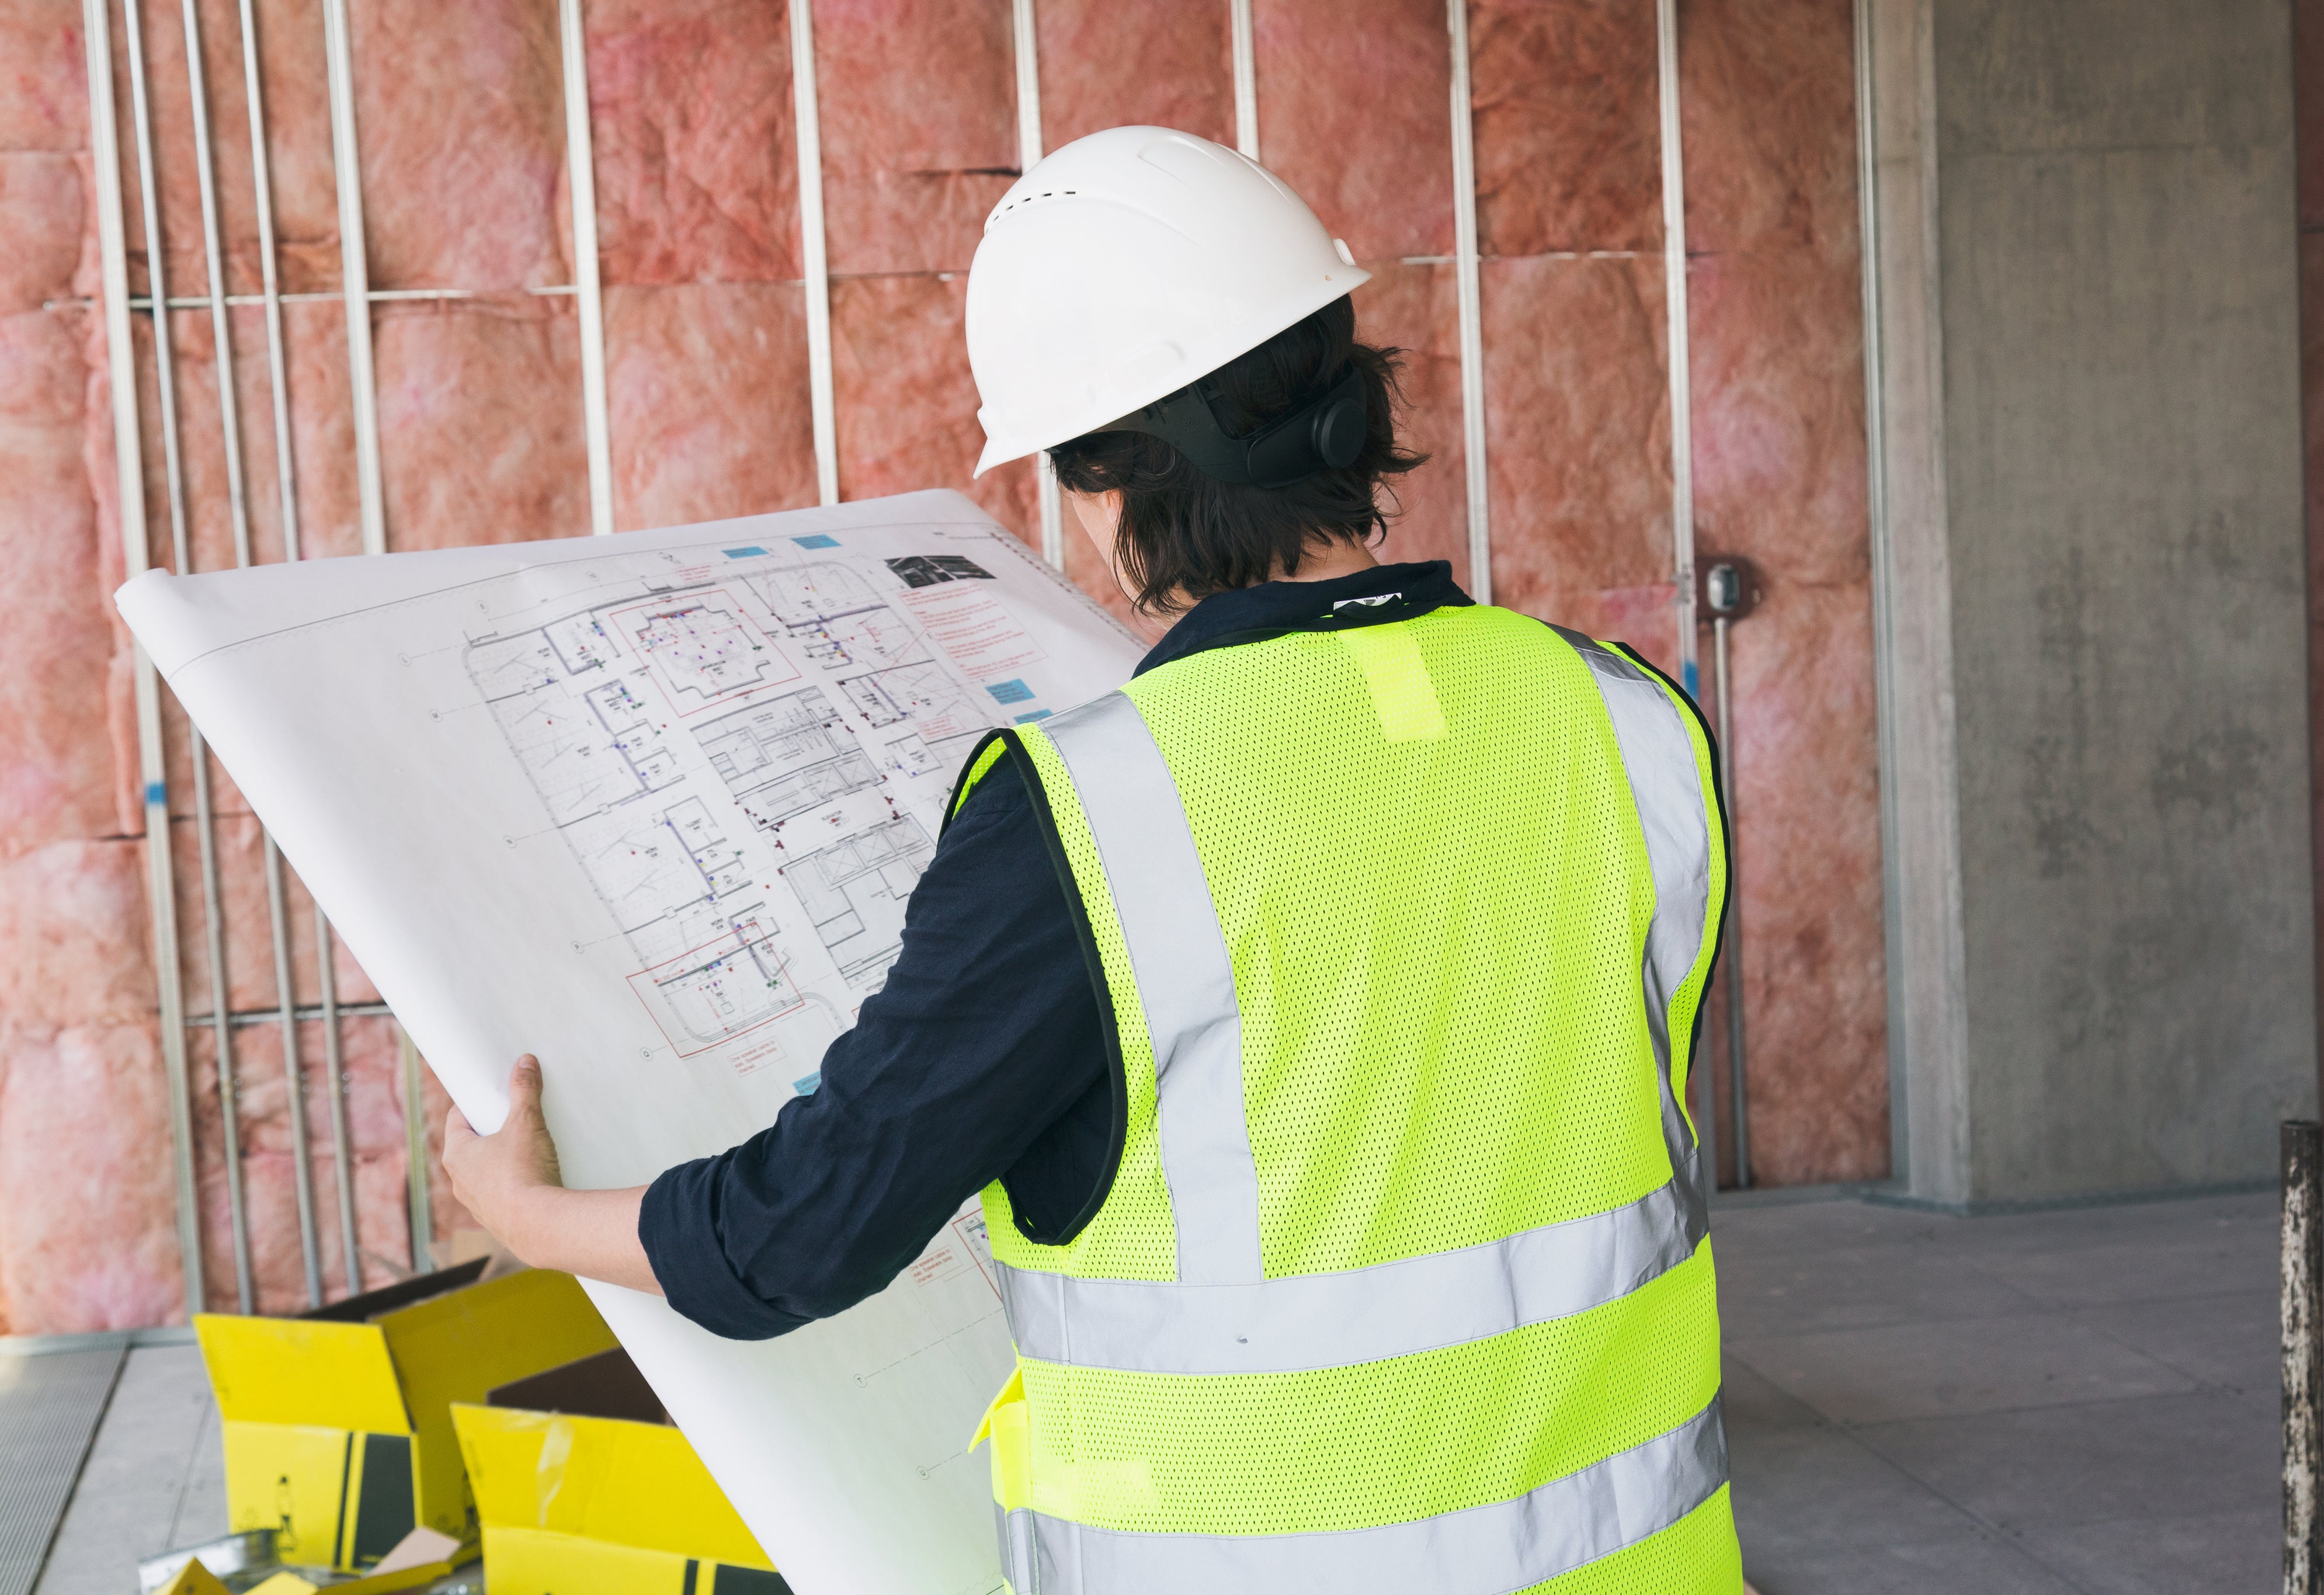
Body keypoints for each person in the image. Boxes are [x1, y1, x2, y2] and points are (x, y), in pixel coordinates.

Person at [445, 126, 1743, 1593]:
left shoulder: (1085, 817)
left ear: (1108, 480)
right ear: (1342, 395)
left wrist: (526, 1214)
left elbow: (797, 1236)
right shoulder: (1628, 717)